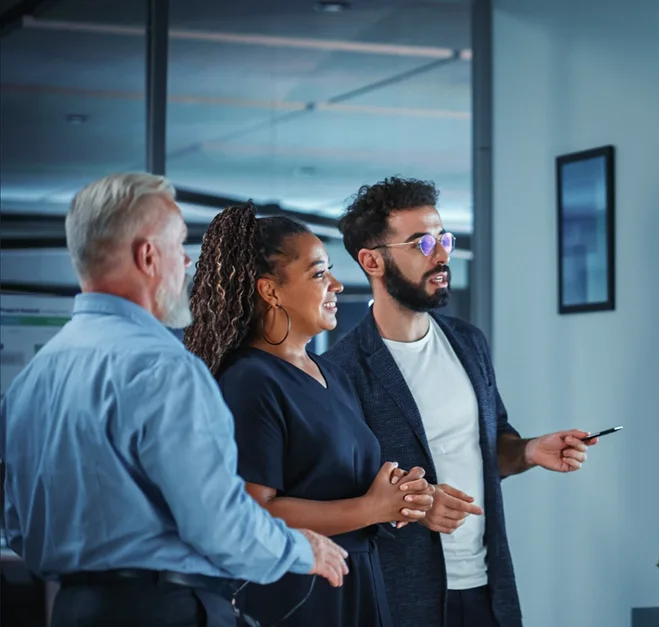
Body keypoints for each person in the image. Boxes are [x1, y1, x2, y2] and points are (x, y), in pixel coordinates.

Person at [0, 173, 349, 627]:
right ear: (148, 256)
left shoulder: (33, 379)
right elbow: (218, 523)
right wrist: (303, 548)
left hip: (71, 610)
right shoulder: (164, 369)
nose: (186, 262)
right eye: (179, 245)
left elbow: (18, 526)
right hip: (166, 609)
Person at [323, 176, 598, 627]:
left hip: (488, 587)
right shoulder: (341, 370)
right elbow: (344, 492)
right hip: (401, 596)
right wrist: (416, 504)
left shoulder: (469, 342)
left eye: (443, 238)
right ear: (372, 261)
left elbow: (492, 445)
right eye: (422, 243)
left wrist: (528, 451)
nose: (442, 254)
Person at [182, 203, 437, 627]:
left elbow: (343, 484)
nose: (336, 284)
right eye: (319, 274)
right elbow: (252, 512)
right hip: (298, 594)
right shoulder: (248, 382)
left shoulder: (331, 374)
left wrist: (402, 498)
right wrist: (370, 508)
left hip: (357, 582)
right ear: (271, 291)